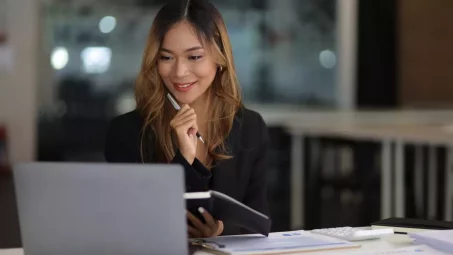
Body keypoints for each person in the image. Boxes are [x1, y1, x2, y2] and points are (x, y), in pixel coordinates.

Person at [104, 0, 270, 238]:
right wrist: (184, 160)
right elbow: (132, 224)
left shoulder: (250, 127)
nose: (180, 72)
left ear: (219, 58)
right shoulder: (127, 131)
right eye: (167, 57)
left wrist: (222, 230)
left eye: (194, 57)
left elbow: (260, 223)